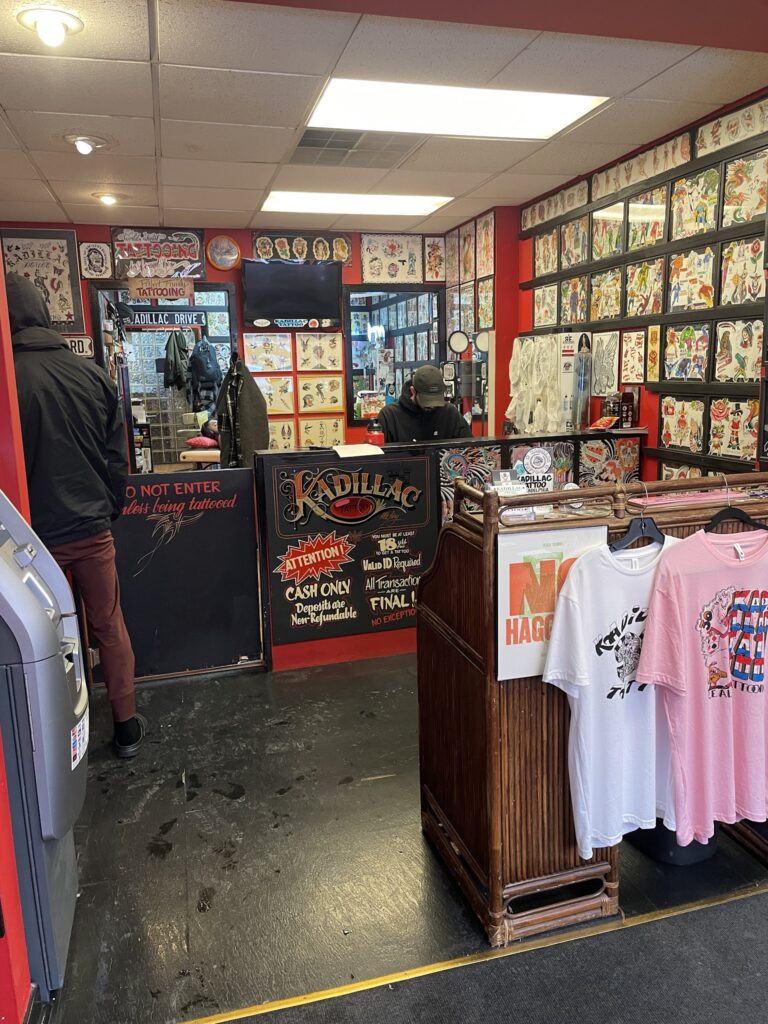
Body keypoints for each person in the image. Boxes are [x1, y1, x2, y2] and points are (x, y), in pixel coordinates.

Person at [6, 272, 145, 759]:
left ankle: (55, 741)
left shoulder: (7, 377)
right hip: (90, 527)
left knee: (41, 638)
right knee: (108, 625)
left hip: (28, 541)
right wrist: (108, 508)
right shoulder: (93, 375)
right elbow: (116, 459)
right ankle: (126, 727)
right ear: (44, 312)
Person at [378, 364, 472, 443]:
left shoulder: (450, 413)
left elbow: (470, 450)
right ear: (413, 391)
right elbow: (376, 455)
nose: (432, 406)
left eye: (436, 399)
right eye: (427, 400)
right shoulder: (389, 416)